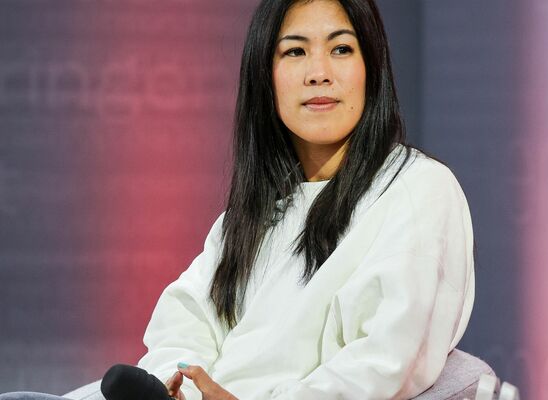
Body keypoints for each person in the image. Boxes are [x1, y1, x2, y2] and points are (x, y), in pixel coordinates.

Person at [0, 0, 474, 399]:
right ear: (265, 77)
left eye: (341, 49)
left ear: (372, 68)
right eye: (295, 52)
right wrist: (176, 385)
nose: (319, 73)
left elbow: (387, 358)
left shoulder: (416, 188)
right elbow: (184, 320)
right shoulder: (252, 214)